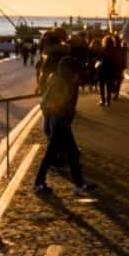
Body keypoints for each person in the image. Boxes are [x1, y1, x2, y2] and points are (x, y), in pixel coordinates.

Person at [34, 54, 90, 196]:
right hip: (60, 121)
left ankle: (79, 183)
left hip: (60, 120)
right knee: (53, 153)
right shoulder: (63, 84)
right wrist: (63, 116)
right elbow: (62, 103)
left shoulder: (59, 80)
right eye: (76, 72)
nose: (78, 75)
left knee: (71, 153)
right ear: (69, 72)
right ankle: (39, 182)